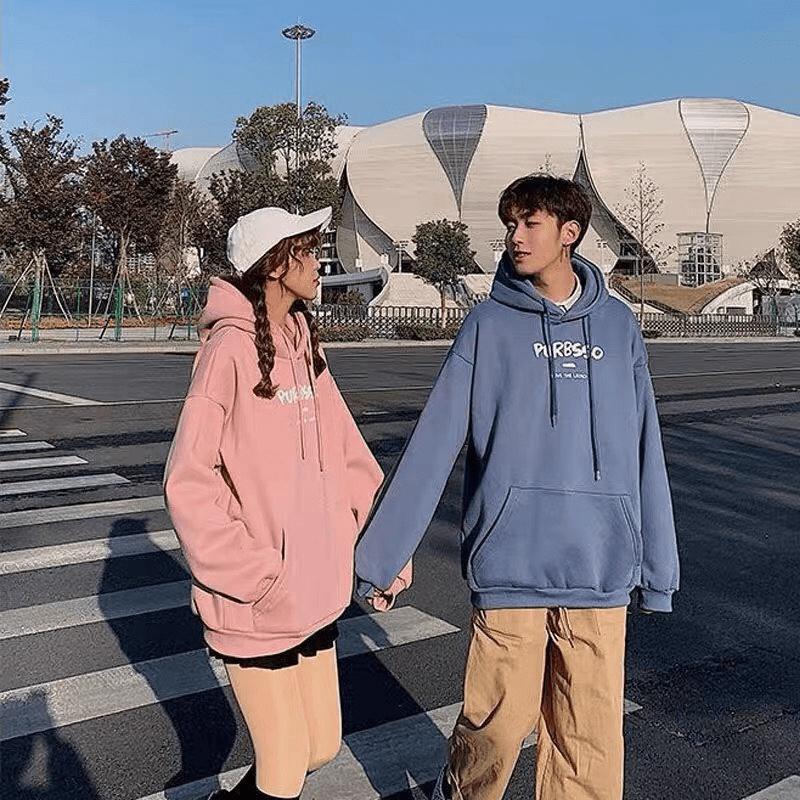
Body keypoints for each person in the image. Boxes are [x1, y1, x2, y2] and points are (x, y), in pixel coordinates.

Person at [354, 175, 680, 800]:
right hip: (511, 565)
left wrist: (658, 569)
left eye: (531, 223)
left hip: (600, 570)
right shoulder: (488, 326)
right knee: (496, 732)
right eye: (511, 224)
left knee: (588, 743)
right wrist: (382, 558)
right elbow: (433, 442)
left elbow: (646, 451)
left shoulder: (619, 328)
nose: (516, 237)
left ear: (569, 232)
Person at [163, 206, 408, 799]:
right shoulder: (228, 350)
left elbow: (349, 456)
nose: (319, 262)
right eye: (308, 249)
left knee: (320, 746)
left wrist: (384, 551)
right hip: (259, 598)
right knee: (285, 763)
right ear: (275, 264)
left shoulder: (302, 341)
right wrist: (255, 573)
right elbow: (187, 479)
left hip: (312, 590)